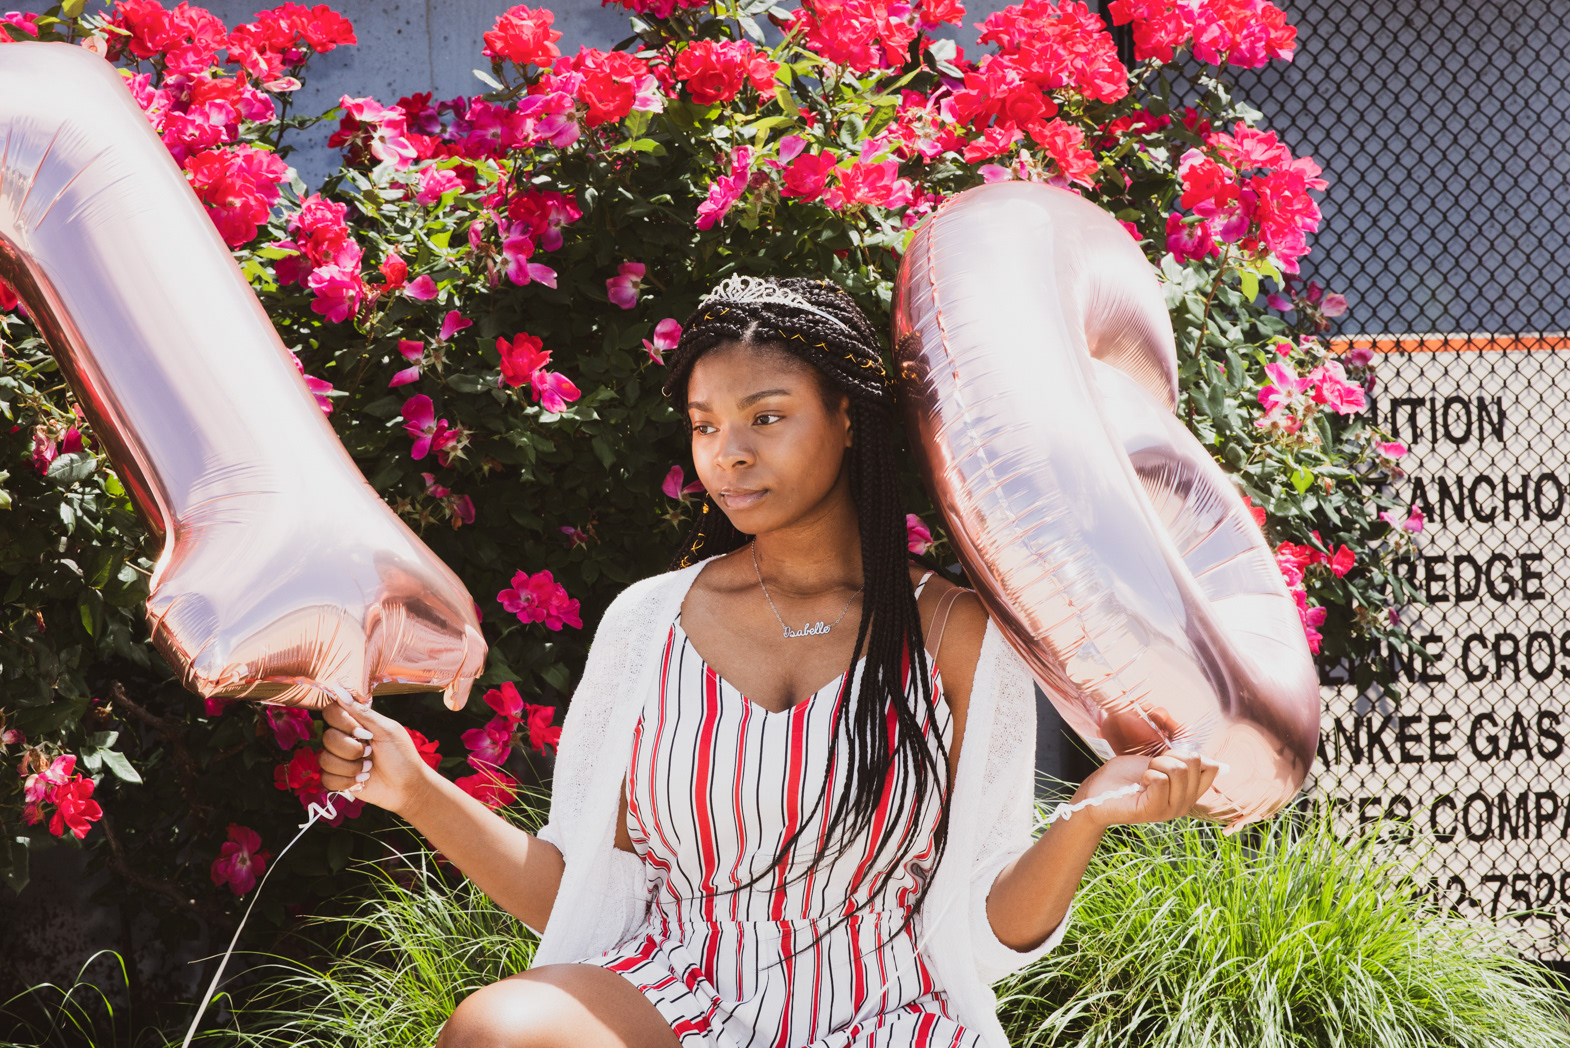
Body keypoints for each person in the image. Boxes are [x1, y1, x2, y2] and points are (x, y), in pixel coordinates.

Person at [317, 275, 1220, 1048]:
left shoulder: (954, 631)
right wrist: (413, 789)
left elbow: (988, 923)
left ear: (847, 418)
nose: (730, 454)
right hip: (679, 993)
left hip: (884, 1012)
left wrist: (1086, 818)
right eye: (705, 426)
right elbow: (579, 890)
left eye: (767, 416)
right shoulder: (649, 624)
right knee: (498, 1031)